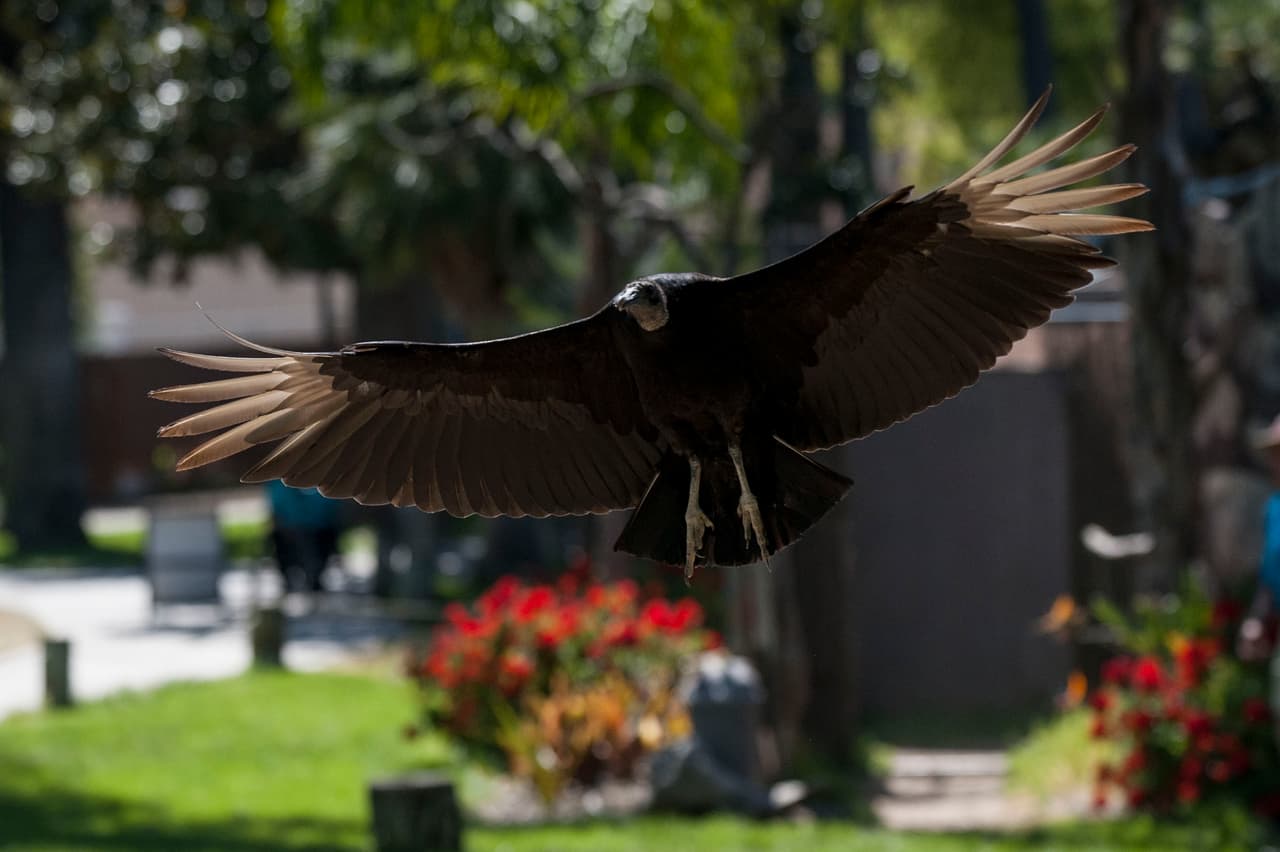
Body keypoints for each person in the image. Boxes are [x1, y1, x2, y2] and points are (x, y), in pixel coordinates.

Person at [1238, 415, 1280, 744]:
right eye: (1273, 453)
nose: (1275, 462)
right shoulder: (1273, 510)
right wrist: (1256, 620)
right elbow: (1269, 576)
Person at [267, 479, 342, 592]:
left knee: (316, 554)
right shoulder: (279, 485)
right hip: (294, 527)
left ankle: (313, 579)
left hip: (318, 527)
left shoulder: (323, 480)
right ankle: (298, 580)